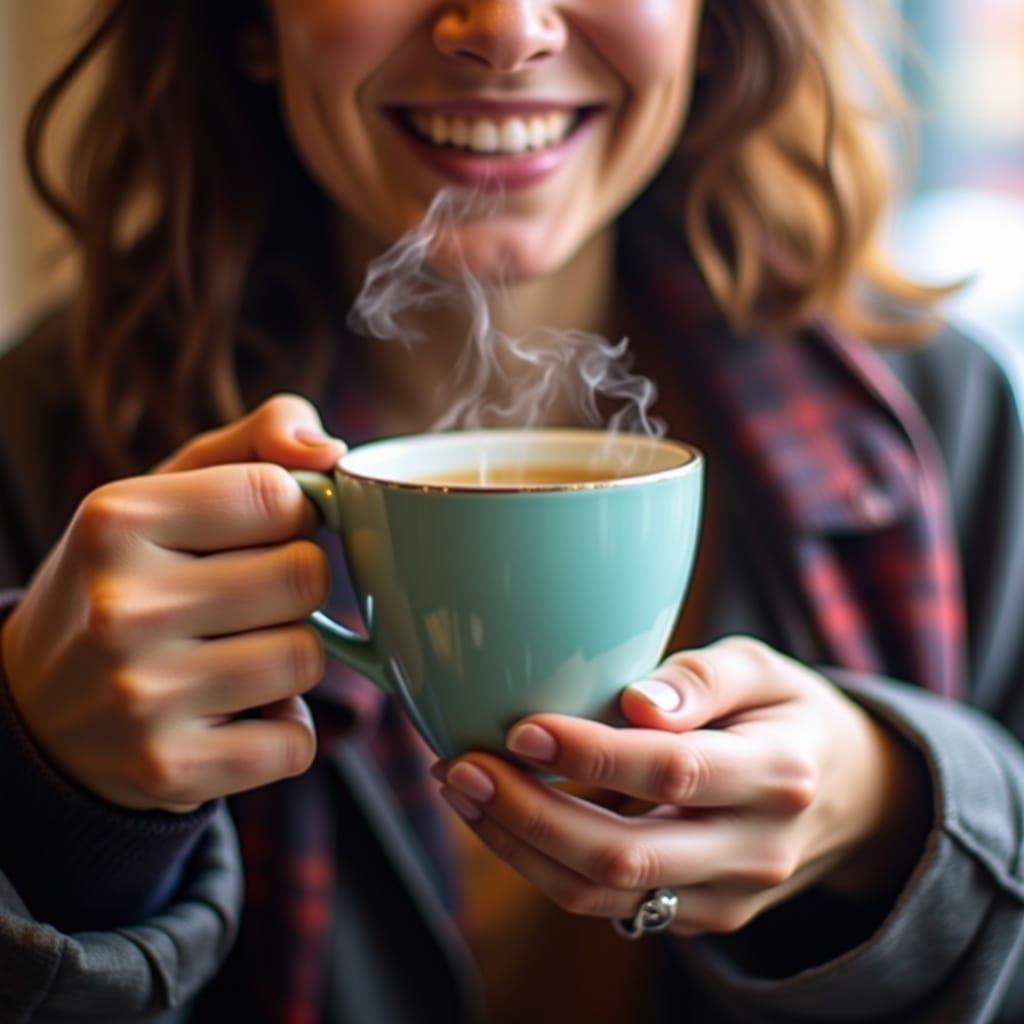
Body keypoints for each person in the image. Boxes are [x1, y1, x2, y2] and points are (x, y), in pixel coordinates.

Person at [1, 1, 1023, 1022]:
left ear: (715, 22)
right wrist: (53, 795)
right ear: (249, 25)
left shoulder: (938, 420)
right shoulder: (42, 452)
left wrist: (899, 810)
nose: (503, 30)